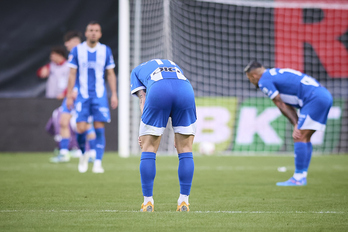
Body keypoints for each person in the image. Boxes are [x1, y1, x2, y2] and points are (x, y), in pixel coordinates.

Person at [244, 61, 333, 186]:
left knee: (299, 136)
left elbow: (280, 103)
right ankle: (301, 176)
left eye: (249, 79)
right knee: (305, 137)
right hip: (323, 95)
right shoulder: (274, 73)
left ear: (253, 76)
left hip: (314, 99)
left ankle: (298, 178)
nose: (251, 82)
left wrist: (296, 123)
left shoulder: (264, 81)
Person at [131, 59, 197, 212]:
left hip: (159, 90)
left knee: (148, 148)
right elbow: (175, 87)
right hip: (185, 90)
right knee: (186, 149)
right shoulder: (173, 65)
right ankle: (183, 202)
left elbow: (143, 98)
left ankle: (148, 202)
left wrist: (144, 130)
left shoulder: (136, 71)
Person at [66, 21, 118, 173]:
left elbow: (110, 74)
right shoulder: (77, 50)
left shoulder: (105, 50)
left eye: (96, 30)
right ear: (86, 33)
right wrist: (69, 95)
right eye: (91, 30)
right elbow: (72, 74)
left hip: (99, 95)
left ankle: (98, 162)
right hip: (82, 96)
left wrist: (114, 94)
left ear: (100, 34)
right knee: (81, 128)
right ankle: (83, 154)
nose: (94, 33)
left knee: (99, 128)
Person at [49, 31, 97, 164]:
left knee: (86, 123)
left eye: (68, 41)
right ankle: (64, 153)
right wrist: (69, 92)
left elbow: (88, 75)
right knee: (63, 121)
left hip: (82, 94)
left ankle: (93, 153)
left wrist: (78, 90)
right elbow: (71, 76)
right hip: (71, 94)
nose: (66, 44)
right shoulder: (72, 56)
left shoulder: (85, 54)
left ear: (75, 41)